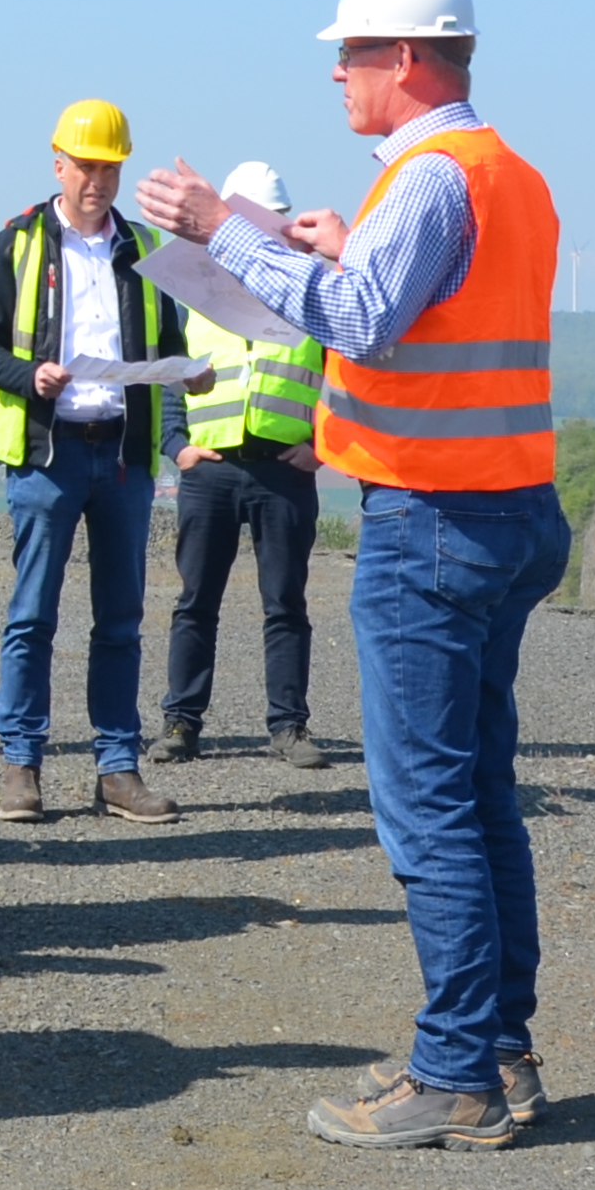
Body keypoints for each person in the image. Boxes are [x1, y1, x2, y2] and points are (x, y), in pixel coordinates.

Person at [136, 0, 566, 1151]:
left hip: (430, 520)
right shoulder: (502, 174)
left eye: (351, 51)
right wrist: (332, 244)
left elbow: (365, 323)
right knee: (476, 796)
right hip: (505, 508)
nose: (336, 72)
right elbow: (418, 299)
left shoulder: (426, 179)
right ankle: (494, 1048)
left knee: (426, 807)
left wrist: (224, 234)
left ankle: (456, 1074)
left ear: (406, 56)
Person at [0, 100, 187, 825]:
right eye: (87, 166)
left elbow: (166, 345)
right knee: (33, 615)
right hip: (47, 455)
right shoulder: (14, 245)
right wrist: (27, 375)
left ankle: (117, 770)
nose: (98, 181)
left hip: (122, 458)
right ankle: (21, 765)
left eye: (110, 168)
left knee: (121, 619)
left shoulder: (148, 249)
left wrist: (186, 375)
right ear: (58, 163)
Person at [155, 159, 333, 768]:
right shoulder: (199, 290)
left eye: (270, 217)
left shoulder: (312, 287)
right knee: (195, 602)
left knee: (285, 604)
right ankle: (181, 721)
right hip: (210, 468)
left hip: (284, 469)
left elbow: (345, 377)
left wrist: (322, 446)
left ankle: (289, 727)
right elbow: (173, 372)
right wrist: (176, 445)